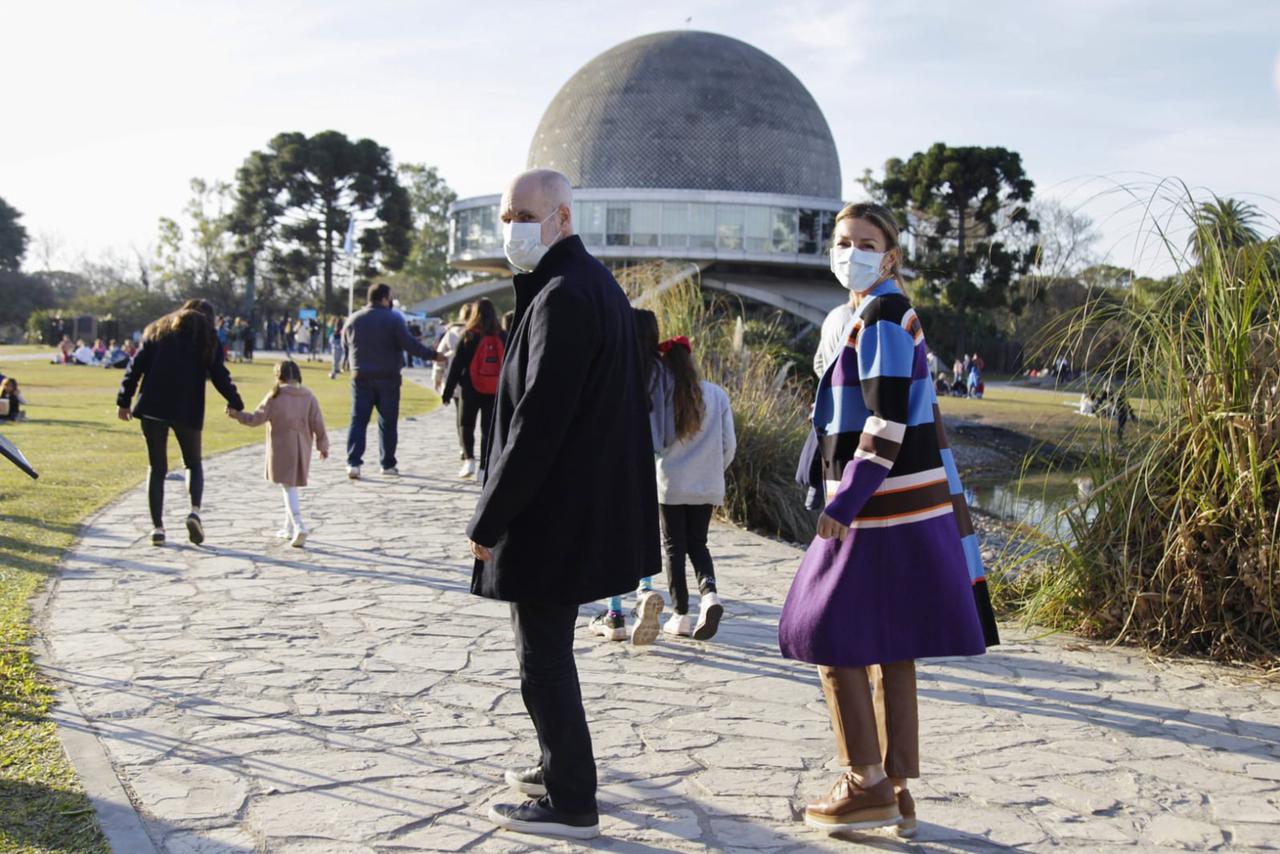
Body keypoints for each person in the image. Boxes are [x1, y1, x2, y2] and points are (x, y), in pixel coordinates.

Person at [778, 203, 998, 837]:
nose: (851, 252)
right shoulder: (864, 315)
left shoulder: (881, 315)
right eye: (843, 241)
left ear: (890, 256)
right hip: (897, 500)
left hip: (877, 504)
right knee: (888, 643)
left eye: (865, 242)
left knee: (827, 631)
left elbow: (885, 420)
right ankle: (894, 787)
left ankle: (863, 781)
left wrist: (843, 502)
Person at [472, 169, 659, 840]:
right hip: (576, 504)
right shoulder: (591, 286)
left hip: (554, 511)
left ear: (562, 219)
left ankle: (570, 797)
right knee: (548, 650)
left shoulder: (562, 297)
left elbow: (539, 423)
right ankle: (559, 766)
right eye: (505, 217)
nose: (512, 228)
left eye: (525, 214)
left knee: (541, 654)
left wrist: (490, 515)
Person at [116, 299, 245, 546]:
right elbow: (219, 374)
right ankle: (194, 511)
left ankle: (158, 528)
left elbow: (136, 367)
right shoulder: (206, 336)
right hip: (188, 408)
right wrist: (235, 402)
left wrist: (124, 399)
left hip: (153, 406)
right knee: (193, 463)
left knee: (157, 468)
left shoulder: (157, 329)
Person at [587, 308, 671, 645]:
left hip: (612, 454)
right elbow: (665, 423)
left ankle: (614, 612)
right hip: (647, 456)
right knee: (642, 525)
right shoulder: (662, 370)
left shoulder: (614, 362)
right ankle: (645, 590)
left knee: (611, 528)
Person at [654, 336, 736, 641]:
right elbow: (729, 446)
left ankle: (680, 615)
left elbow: (657, 441)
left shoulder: (664, 395)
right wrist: (713, 470)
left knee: (674, 547)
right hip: (707, 483)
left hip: (671, 484)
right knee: (698, 543)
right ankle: (710, 595)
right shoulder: (717, 395)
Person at [342, 282, 445, 478]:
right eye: (390, 297)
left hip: (361, 376)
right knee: (387, 422)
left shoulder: (353, 319)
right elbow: (409, 344)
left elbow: (345, 345)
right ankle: (387, 463)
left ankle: (353, 462)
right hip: (388, 377)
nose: (391, 301)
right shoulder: (393, 319)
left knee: (358, 420)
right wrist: (432, 355)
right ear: (383, 298)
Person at [228, 360, 328, 547]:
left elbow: (255, 418)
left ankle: (299, 525)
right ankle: (288, 527)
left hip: (282, 448)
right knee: (290, 486)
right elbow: (318, 423)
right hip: (302, 448)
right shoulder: (309, 396)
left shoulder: (274, 397)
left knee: (287, 487)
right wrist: (323, 444)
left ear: (278, 376)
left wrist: (237, 415)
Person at [441, 298, 505, 480]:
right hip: (494, 389)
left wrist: (448, 392)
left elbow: (456, 366)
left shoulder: (469, 335)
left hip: (470, 388)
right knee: (488, 429)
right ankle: (484, 467)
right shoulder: (502, 336)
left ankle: (469, 460)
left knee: (466, 424)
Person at [433, 305, 469, 395]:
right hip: (479, 382)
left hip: (454, 379)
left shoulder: (451, 333)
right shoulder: (483, 333)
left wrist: (437, 378)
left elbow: (440, 356)